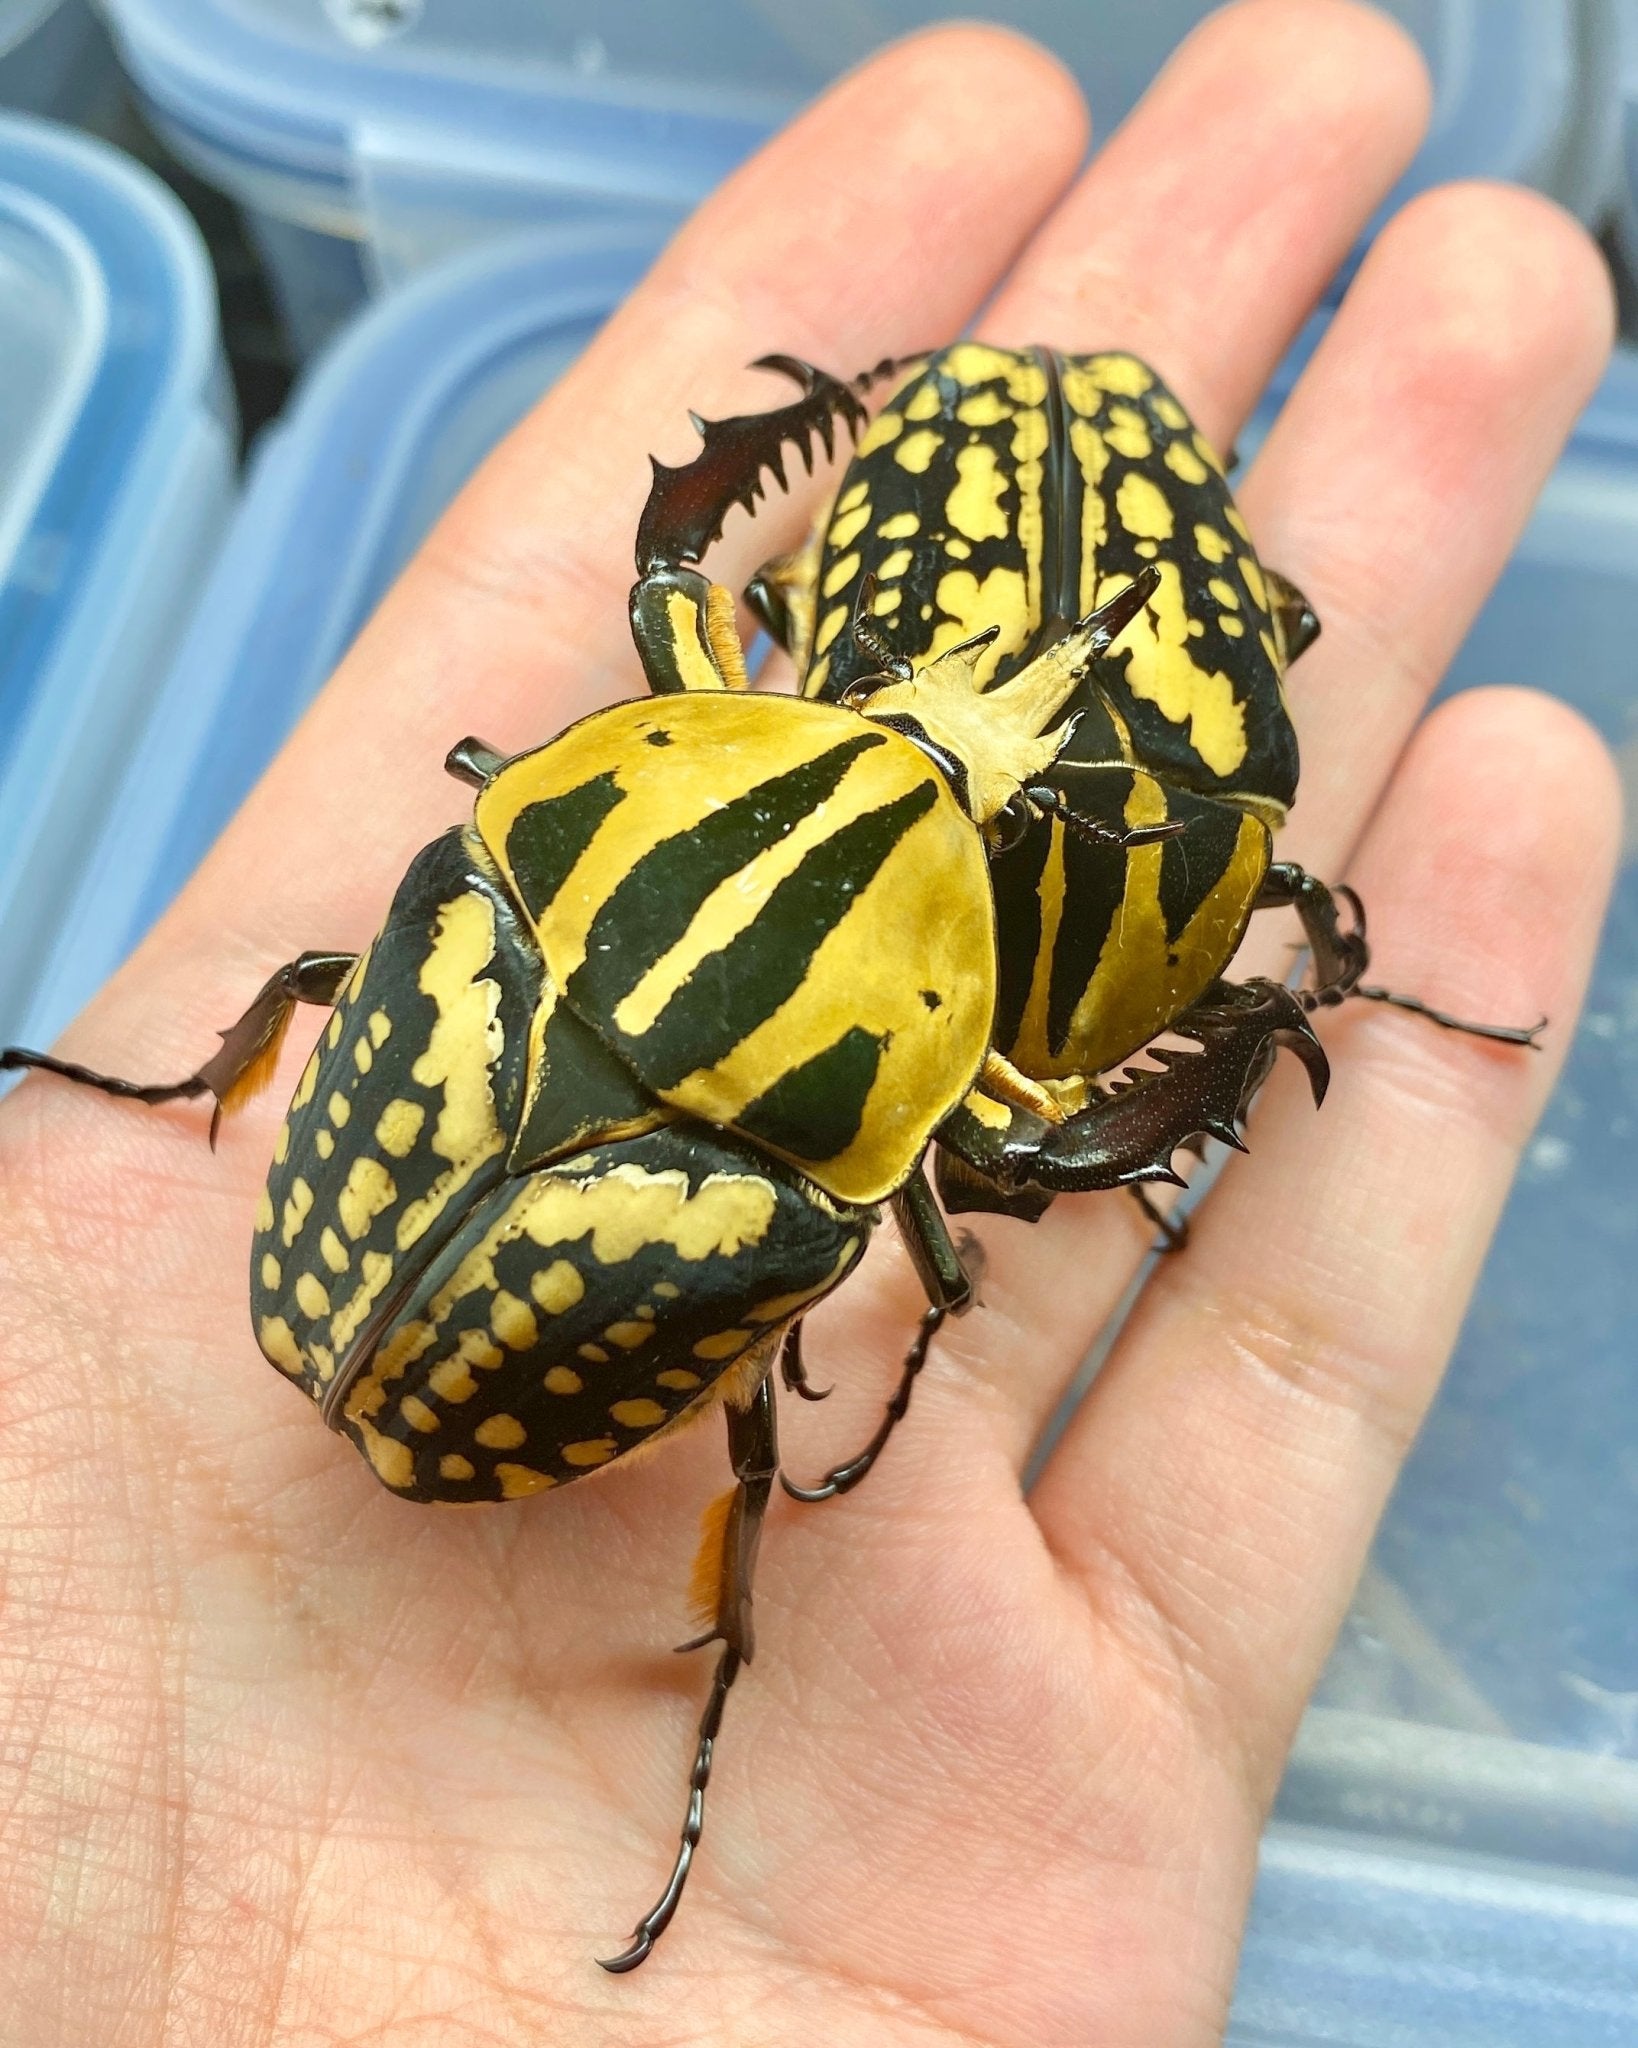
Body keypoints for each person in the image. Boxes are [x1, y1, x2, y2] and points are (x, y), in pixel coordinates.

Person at [0, 4, 1620, 2040]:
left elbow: (674, 565)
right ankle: (715, 1665)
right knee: (758, 1431)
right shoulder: (897, 1117)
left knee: (356, 986)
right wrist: (1245, 1015)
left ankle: (193, 1086)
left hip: (371, 1274)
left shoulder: (527, 853)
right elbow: (1045, 1149)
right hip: (497, 1359)